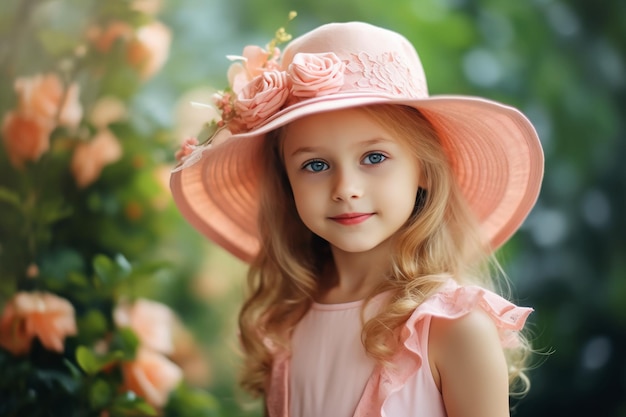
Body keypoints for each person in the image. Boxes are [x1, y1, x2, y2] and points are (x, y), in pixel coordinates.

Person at [170, 21, 544, 417]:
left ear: (424, 170)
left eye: (374, 157)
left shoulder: (454, 328)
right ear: (286, 182)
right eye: (315, 164)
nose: (345, 188)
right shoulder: (287, 324)